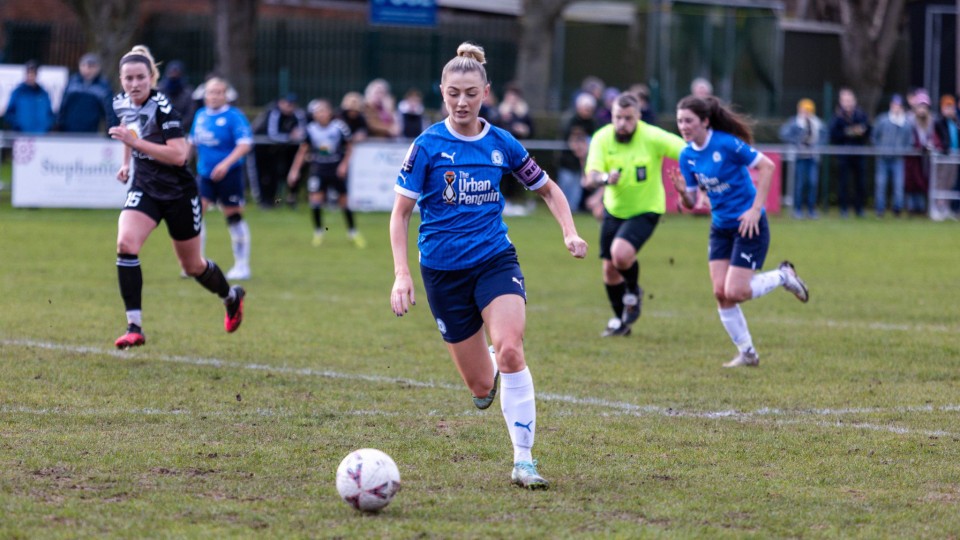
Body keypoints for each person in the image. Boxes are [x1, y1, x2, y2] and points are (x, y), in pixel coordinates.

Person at [389, 42, 588, 490]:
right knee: (481, 389)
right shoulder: (427, 146)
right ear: (442, 92)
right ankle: (490, 366)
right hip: (442, 272)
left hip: (495, 260)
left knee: (512, 348)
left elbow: (548, 188)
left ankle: (524, 461)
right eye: (453, 93)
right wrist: (402, 274)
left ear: (486, 93)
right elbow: (400, 215)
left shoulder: (501, 142)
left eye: (471, 93)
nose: (462, 102)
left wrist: (569, 232)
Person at [108, 45, 245, 349]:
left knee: (193, 266)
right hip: (145, 188)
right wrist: (127, 163)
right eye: (128, 78)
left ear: (150, 78)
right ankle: (134, 326)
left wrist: (136, 144)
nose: (134, 84)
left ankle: (231, 297)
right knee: (125, 244)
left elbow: (179, 155)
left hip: (178, 193)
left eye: (140, 77)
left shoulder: (164, 108)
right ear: (121, 79)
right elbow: (128, 130)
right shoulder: (121, 102)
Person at [670, 95, 809, 368]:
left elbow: (767, 166)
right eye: (680, 121)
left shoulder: (726, 143)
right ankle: (747, 353)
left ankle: (784, 276)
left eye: (689, 121)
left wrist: (756, 209)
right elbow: (691, 201)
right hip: (720, 228)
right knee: (720, 293)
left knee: (735, 291)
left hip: (749, 226)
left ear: (705, 121)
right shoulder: (687, 155)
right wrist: (682, 194)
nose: (683, 126)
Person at [582, 92, 686, 337]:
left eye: (628, 118)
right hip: (614, 209)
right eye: (618, 117)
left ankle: (633, 291)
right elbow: (591, 176)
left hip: (647, 209)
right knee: (609, 270)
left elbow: (688, 152)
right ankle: (621, 322)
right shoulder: (602, 138)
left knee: (620, 254)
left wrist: (697, 181)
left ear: (638, 116)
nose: (622, 123)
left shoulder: (652, 136)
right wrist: (605, 178)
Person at [189, 77, 254, 280]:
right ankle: (196, 263)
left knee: (233, 217)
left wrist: (225, 164)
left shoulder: (234, 116)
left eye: (219, 92)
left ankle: (242, 265)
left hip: (230, 174)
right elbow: (192, 142)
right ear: (205, 95)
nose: (215, 96)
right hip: (205, 175)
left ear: (226, 95)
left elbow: (245, 144)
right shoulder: (200, 115)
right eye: (211, 92)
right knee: (195, 215)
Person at [287, 98, 365, 247]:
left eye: (323, 111)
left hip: (336, 167)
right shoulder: (310, 129)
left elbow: (350, 147)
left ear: (329, 112)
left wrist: (344, 165)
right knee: (315, 201)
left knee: (344, 201)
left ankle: (353, 233)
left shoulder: (339, 127)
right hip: (318, 168)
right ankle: (318, 233)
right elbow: (303, 151)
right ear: (314, 114)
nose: (321, 114)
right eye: (318, 112)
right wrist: (294, 170)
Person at [251, 93, 308, 208]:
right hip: (267, 151)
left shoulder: (298, 114)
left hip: (287, 151)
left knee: (290, 175)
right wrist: (290, 137)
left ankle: (290, 199)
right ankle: (270, 201)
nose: (290, 106)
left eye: (292, 104)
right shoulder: (273, 113)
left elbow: (303, 133)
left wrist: (296, 136)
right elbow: (273, 134)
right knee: (270, 177)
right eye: (287, 103)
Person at [779, 98, 826, 219]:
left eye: (808, 110)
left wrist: (817, 146)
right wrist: (797, 142)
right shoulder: (794, 122)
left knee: (812, 183)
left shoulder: (817, 123)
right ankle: (797, 209)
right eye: (804, 110)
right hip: (799, 157)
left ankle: (811, 209)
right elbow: (783, 134)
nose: (806, 113)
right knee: (799, 183)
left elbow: (824, 137)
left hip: (812, 157)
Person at [828, 88, 871, 217]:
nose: (847, 103)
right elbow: (833, 135)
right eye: (845, 100)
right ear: (841, 102)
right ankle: (843, 209)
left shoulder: (861, 115)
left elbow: (868, 130)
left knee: (860, 182)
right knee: (843, 182)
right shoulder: (837, 117)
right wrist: (849, 132)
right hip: (843, 155)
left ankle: (859, 209)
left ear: (854, 101)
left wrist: (861, 131)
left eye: (849, 100)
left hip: (859, 153)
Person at [870, 94, 913, 218]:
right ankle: (880, 210)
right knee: (881, 184)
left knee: (898, 185)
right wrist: (879, 149)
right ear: (891, 105)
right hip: (883, 159)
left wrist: (903, 151)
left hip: (898, 159)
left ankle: (897, 210)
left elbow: (910, 141)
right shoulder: (883, 120)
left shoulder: (906, 124)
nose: (896, 108)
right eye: (894, 105)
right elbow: (874, 136)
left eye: (898, 105)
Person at [556, 92, 599, 213]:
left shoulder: (592, 122)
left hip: (582, 162)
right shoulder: (570, 120)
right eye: (586, 108)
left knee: (576, 190)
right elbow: (568, 138)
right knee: (565, 187)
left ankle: (572, 210)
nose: (588, 111)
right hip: (567, 161)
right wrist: (578, 148)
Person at [56, 52, 116, 133]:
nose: (87, 69)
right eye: (83, 65)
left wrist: (111, 129)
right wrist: (58, 124)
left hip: (90, 133)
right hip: (68, 132)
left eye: (91, 66)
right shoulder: (72, 82)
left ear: (98, 68)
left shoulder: (103, 87)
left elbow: (109, 112)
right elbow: (63, 106)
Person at [904, 90, 940, 217]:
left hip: (927, 158)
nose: (922, 110)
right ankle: (912, 208)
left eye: (924, 107)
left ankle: (924, 208)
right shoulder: (909, 120)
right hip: (913, 158)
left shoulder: (933, 121)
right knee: (912, 181)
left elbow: (935, 138)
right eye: (920, 106)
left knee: (926, 181)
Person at [3, 60, 54, 133]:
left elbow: (50, 114)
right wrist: (18, 126)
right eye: (29, 73)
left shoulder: (43, 94)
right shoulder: (18, 93)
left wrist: (46, 126)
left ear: (36, 75)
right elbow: (10, 113)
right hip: (22, 135)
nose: (31, 76)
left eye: (33, 73)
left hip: (41, 135)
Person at [932, 94, 959, 221]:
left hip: (955, 156)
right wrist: (944, 148)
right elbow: (938, 139)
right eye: (947, 107)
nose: (950, 110)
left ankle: (946, 208)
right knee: (941, 183)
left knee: (950, 183)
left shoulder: (955, 122)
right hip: (943, 157)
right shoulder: (939, 122)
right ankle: (937, 208)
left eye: (951, 107)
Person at [159, 60, 196, 133]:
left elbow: (190, 114)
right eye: (171, 73)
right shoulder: (160, 90)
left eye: (176, 74)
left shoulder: (188, 92)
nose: (173, 76)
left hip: (182, 131)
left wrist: (176, 126)